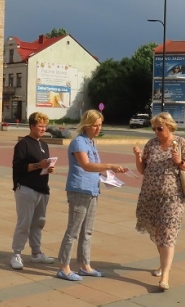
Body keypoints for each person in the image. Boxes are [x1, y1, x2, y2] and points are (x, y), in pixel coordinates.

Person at [56, 110, 128, 281]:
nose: (98, 128)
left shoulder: (91, 142)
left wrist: (110, 175)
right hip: (79, 190)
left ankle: (85, 266)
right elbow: (86, 165)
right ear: (86, 125)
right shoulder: (78, 142)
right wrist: (109, 165)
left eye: (100, 125)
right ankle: (64, 267)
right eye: (95, 125)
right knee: (73, 230)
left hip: (92, 190)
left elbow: (95, 167)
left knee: (87, 231)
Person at [132, 112, 185, 292]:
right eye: (154, 128)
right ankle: (163, 264)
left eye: (159, 128)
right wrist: (138, 156)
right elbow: (143, 170)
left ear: (169, 127)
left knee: (168, 233)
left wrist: (179, 162)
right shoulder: (151, 144)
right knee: (158, 232)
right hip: (150, 196)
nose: (156, 132)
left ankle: (165, 275)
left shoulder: (181, 143)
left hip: (172, 197)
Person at [10, 112, 56, 270]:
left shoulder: (44, 145)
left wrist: (48, 168)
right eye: (40, 126)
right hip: (26, 188)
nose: (43, 129)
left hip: (42, 188)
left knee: (38, 223)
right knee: (24, 223)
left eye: (45, 126)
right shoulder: (23, 144)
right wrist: (38, 165)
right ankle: (16, 253)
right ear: (31, 126)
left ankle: (36, 253)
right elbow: (19, 167)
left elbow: (43, 165)